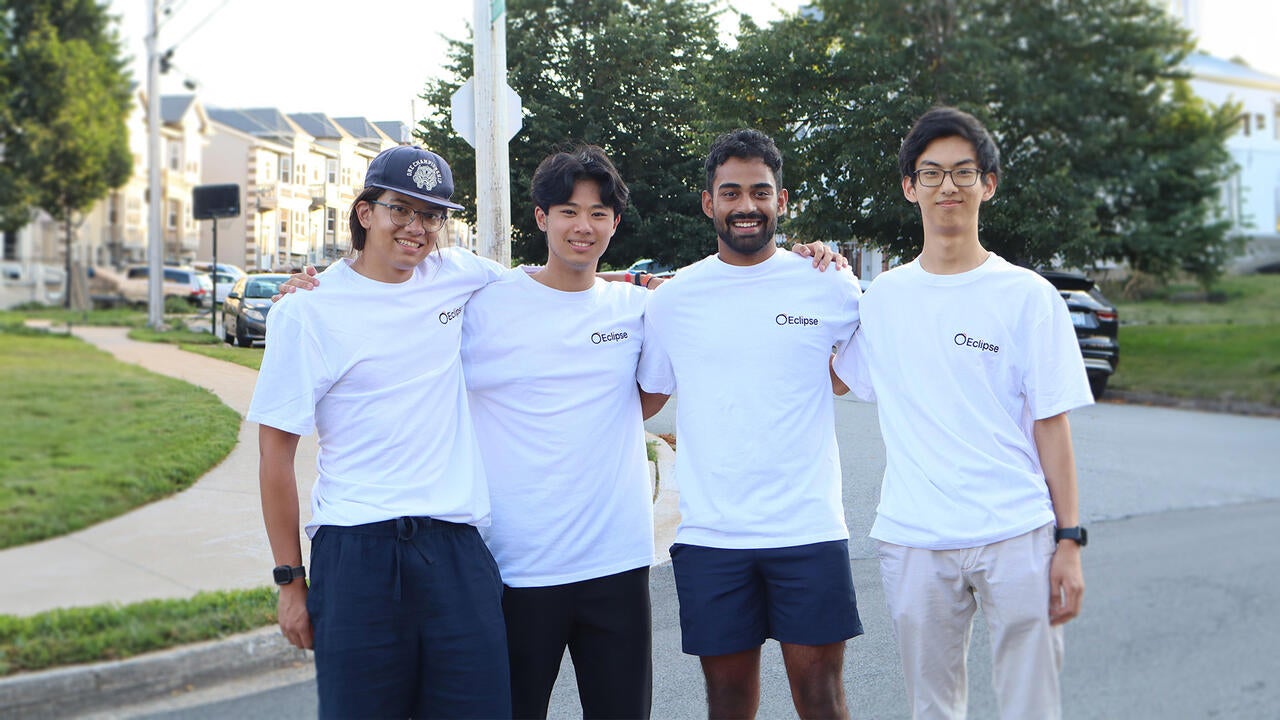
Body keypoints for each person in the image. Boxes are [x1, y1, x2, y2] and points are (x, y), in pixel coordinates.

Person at [831, 106, 1090, 719]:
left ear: (988, 184)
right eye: (931, 173)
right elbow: (835, 376)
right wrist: (809, 270)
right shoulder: (883, 298)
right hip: (915, 537)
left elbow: (1052, 424)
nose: (948, 185)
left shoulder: (1028, 296)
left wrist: (1070, 540)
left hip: (1016, 533)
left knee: (1032, 705)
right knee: (933, 708)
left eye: (963, 172)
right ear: (909, 186)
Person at [247, 145, 510, 718]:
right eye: (402, 210)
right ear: (366, 213)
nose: (417, 228)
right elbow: (274, 458)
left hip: (456, 550)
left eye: (432, 215)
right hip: (356, 552)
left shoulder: (458, 274)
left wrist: (635, 287)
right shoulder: (306, 311)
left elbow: (548, 288)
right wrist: (290, 581)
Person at [636, 129, 864, 719]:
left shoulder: (829, 285)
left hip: (807, 526)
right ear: (709, 202)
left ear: (780, 201)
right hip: (713, 534)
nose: (746, 206)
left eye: (760, 192)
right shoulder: (674, 300)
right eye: (730, 192)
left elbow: (850, 374)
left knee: (821, 699)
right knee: (728, 703)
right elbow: (645, 398)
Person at [461, 145, 664, 719]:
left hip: (616, 563)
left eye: (599, 213)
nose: (584, 225)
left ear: (615, 224)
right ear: (541, 217)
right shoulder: (485, 304)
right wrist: (317, 284)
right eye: (569, 210)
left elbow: (646, 398)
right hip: (515, 566)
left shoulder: (636, 308)